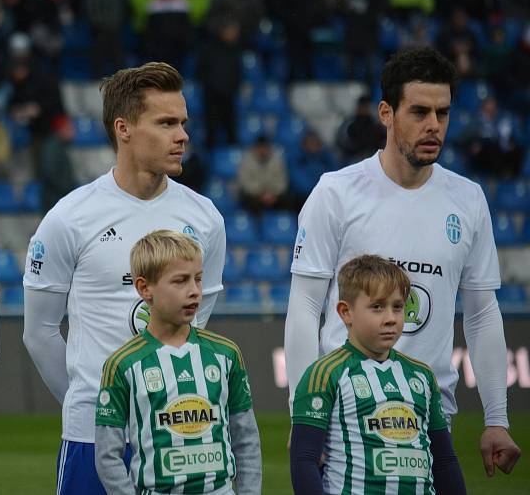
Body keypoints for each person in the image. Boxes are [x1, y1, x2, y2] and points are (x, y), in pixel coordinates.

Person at [284, 47, 521, 478]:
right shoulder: (336, 193)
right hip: (345, 418)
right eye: (419, 112)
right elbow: (304, 307)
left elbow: (483, 314)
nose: (434, 125)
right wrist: (304, 419)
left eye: (443, 113)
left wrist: (497, 419)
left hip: (431, 421)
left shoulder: (468, 200)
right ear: (386, 113)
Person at [23, 62, 226, 495]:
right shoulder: (69, 219)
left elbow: (197, 328)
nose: (182, 135)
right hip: (91, 439)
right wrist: (98, 407)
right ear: (124, 128)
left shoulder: (205, 219)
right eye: (166, 123)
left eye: (183, 123)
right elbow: (39, 332)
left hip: (177, 435)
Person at [96, 230, 261, 495]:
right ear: (144, 288)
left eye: (198, 279)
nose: (195, 291)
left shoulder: (225, 354)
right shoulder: (123, 364)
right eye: (180, 281)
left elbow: (246, 439)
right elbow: (107, 455)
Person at [290, 254, 466, 494]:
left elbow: (444, 461)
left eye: (398, 307)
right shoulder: (325, 374)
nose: (390, 319)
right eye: (377, 307)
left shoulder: (422, 376)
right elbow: (304, 459)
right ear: (345, 312)